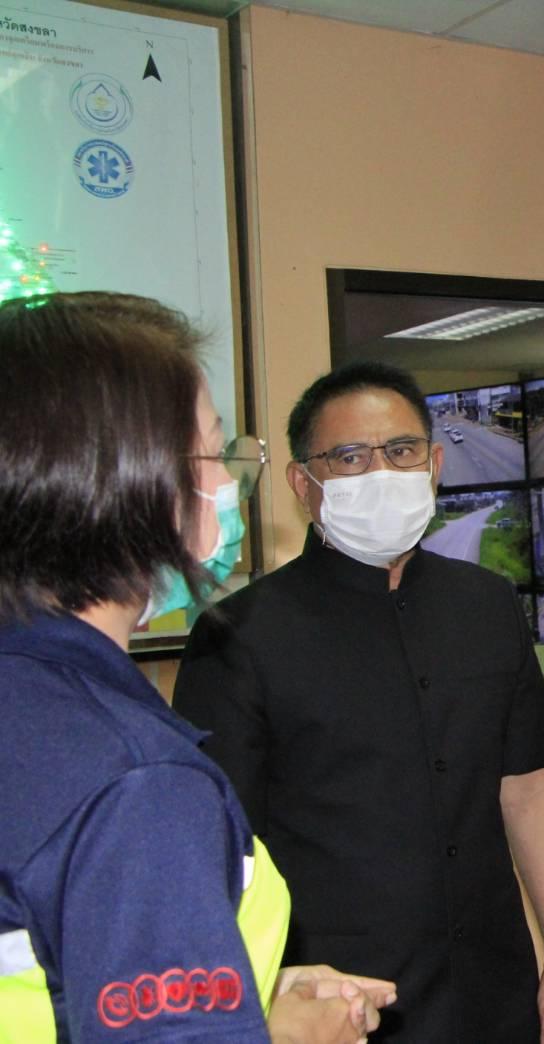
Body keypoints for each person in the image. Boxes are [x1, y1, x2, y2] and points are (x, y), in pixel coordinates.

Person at [0, 292, 392, 1042]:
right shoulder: (135, 779)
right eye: (213, 456)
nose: (230, 484)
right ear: (129, 484)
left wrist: (237, 984)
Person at [174, 362, 544, 1043]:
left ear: (434, 465)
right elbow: (220, 854)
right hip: (338, 1006)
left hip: (493, 988)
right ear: (303, 484)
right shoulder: (239, 637)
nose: (381, 472)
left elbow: (530, 790)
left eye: (400, 450)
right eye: (350, 457)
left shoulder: (486, 606)